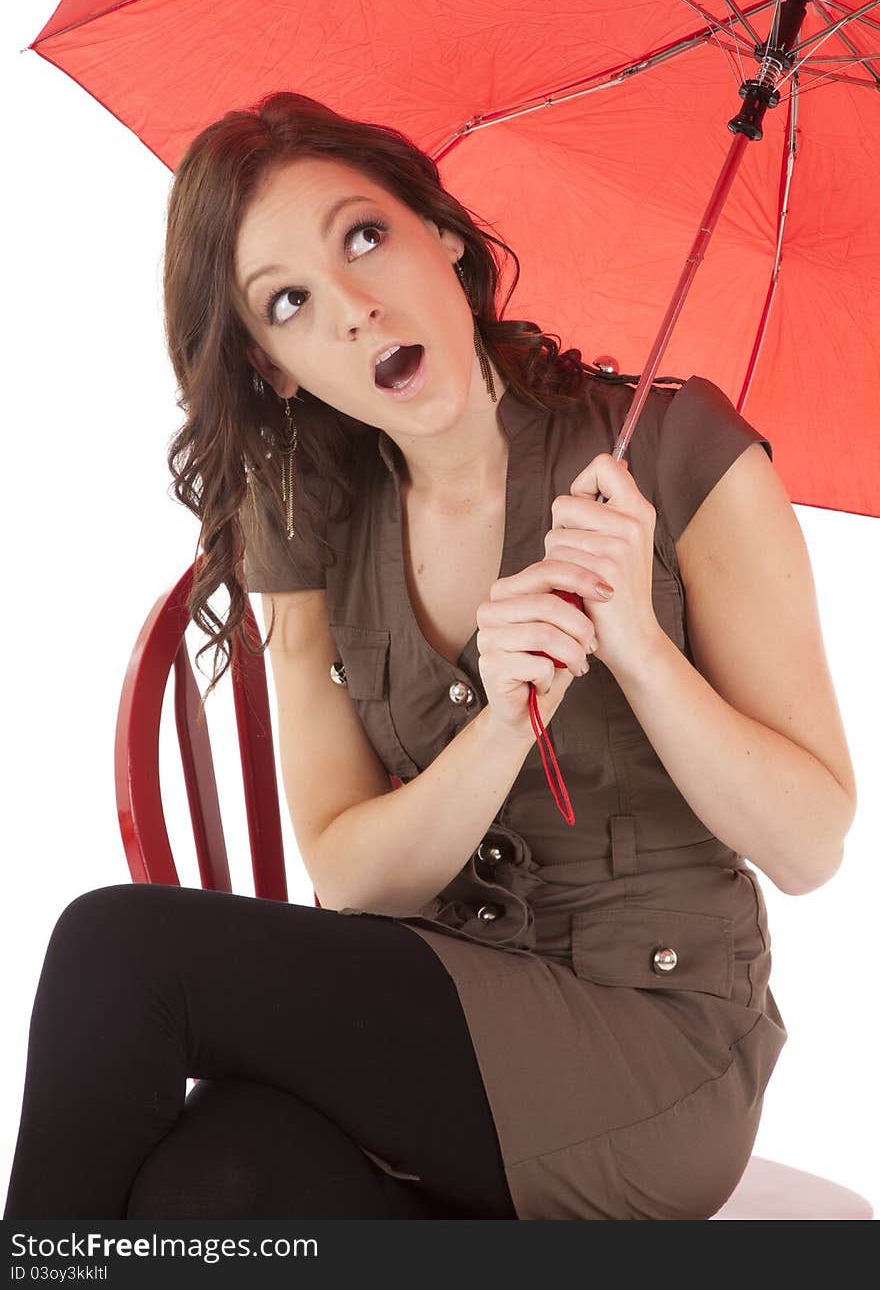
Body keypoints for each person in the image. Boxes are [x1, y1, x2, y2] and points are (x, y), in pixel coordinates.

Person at [4, 92, 857, 1221]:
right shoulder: (311, 520)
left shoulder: (674, 450)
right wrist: (500, 722)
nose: (353, 308)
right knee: (214, 1181)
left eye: (364, 236)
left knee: (121, 949)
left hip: (653, 1049)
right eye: (290, 303)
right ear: (274, 369)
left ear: (443, 235)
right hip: (431, 1033)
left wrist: (638, 648)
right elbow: (357, 876)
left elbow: (809, 848)